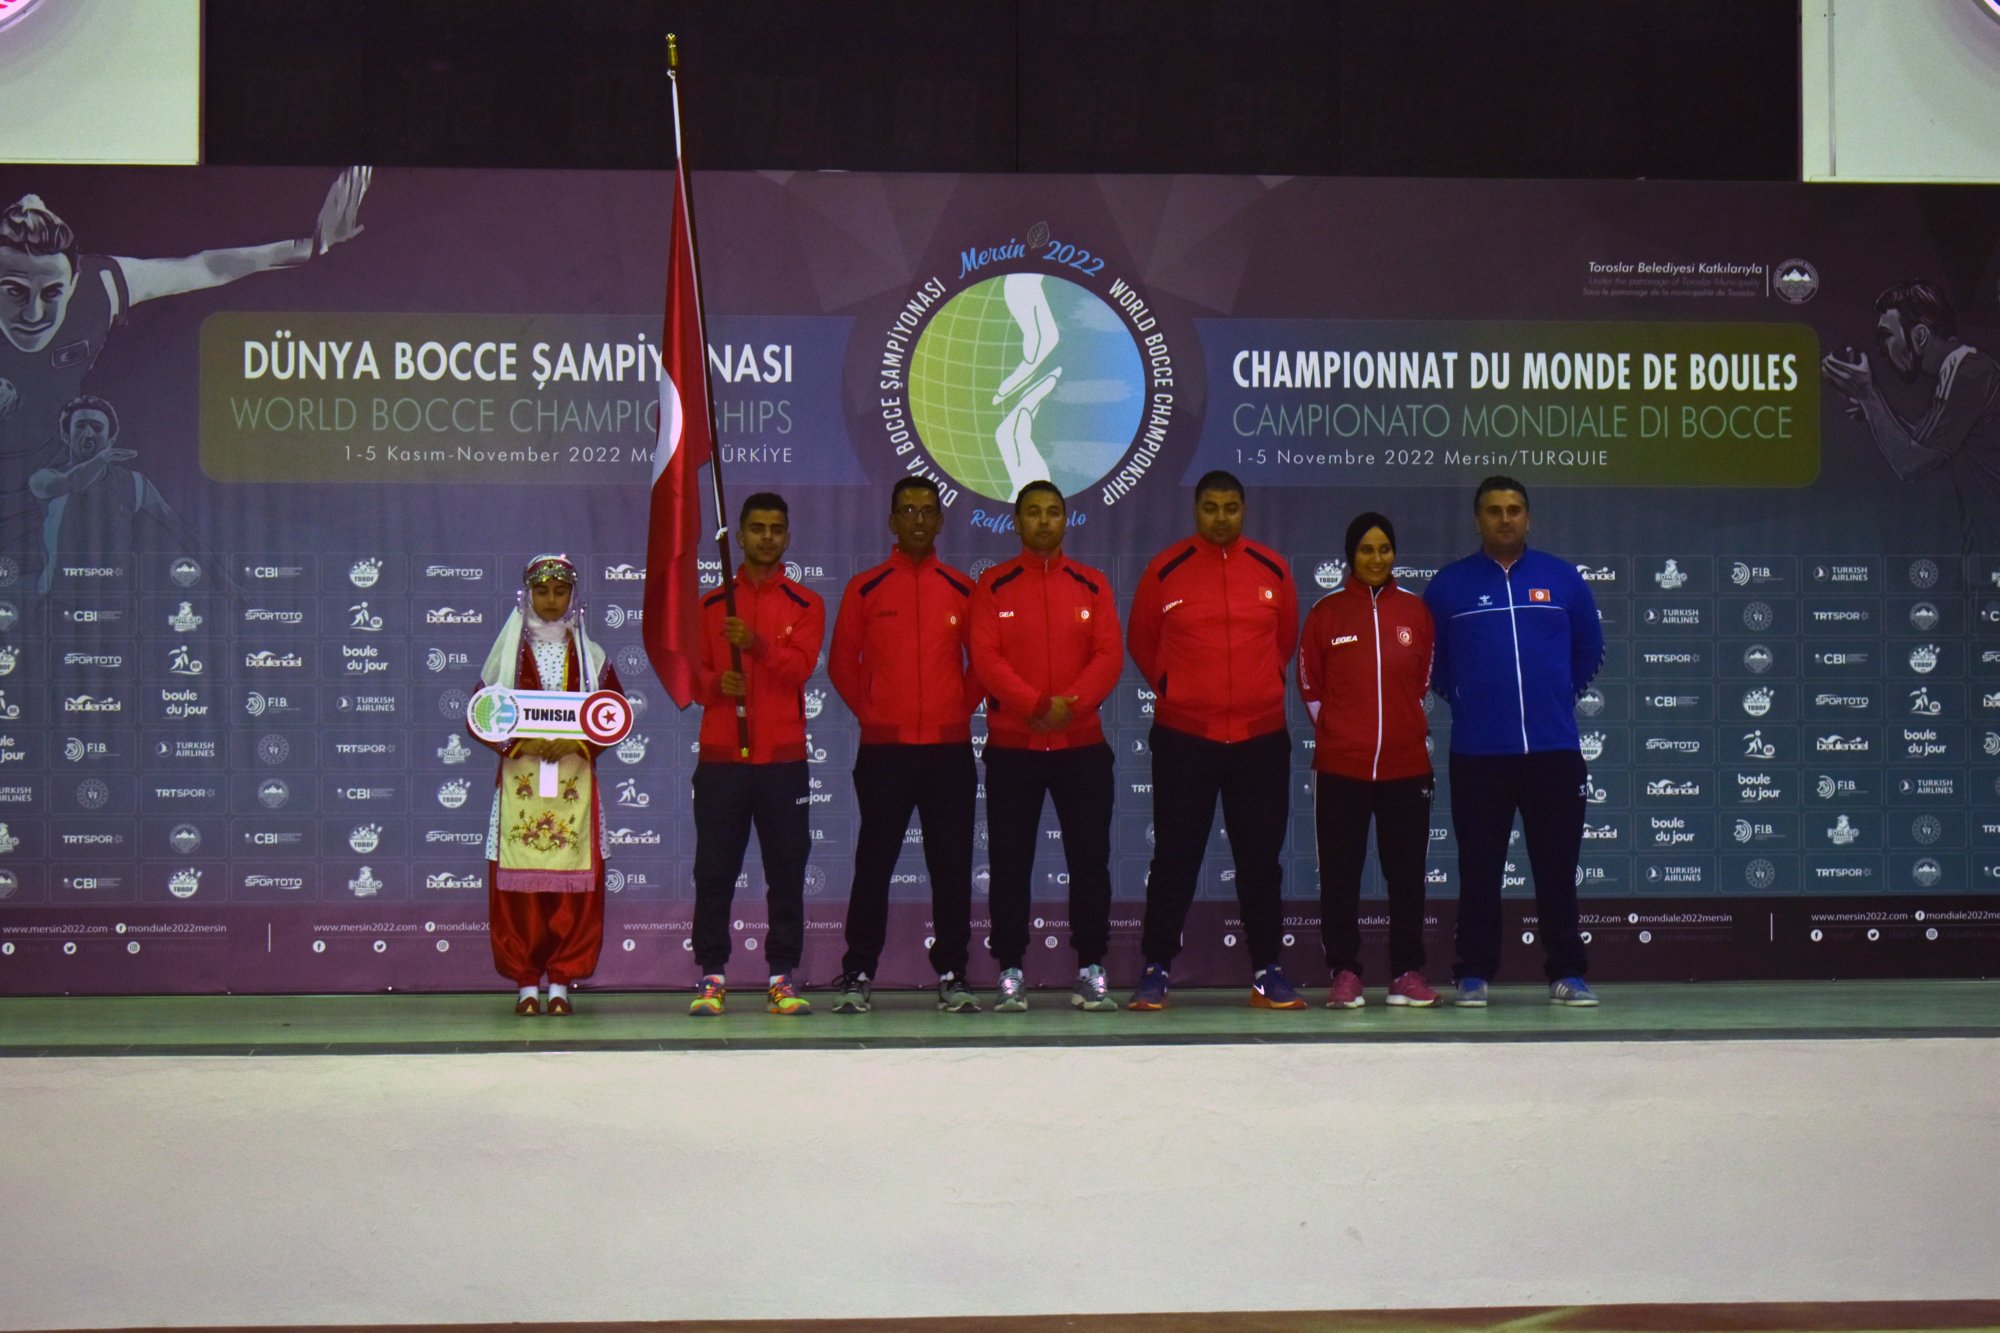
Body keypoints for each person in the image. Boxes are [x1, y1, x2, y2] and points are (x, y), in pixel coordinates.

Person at [0, 171, 370, 560]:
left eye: (52, 293)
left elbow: (206, 267)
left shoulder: (104, 283)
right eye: (14, 292)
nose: (34, 313)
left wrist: (311, 246)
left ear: (74, 281)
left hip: (49, 478)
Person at [1423, 477, 1603, 1007]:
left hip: (1554, 752)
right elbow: (1433, 661)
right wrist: (1466, 699)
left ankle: (1567, 972)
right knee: (1479, 868)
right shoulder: (1449, 587)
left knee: (1557, 868)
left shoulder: (1563, 578)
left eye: (1514, 509)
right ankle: (1473, 974)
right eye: (1494, 510)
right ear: (1477, 519)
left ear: (1529, 517)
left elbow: (1590, 648)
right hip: (1479, 755)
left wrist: (1556, 696)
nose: (1505, 518)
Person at [1126, 470, 1302, 1010]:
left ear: (1243, 510)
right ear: (1196, 510)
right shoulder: (1165, 569)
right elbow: (1142, 641)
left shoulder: (1273, 568)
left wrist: (1259, 688)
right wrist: (1175, 689)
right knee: (1175, 857)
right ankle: (1155, 968)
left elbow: (1284, 642)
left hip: (1259, 739)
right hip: (1186, 738)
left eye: (1230, 507)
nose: (1221, 517)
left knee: (1260, 861)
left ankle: (1267, 971)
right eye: (1210, 507)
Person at [827, 477, 984, 1013]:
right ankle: (857, 972)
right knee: (873, 863)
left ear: (939, 520)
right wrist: (875, 715)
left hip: (948, 752)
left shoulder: (962, 589)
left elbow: (981, 663)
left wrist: (955, 710)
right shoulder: (865, 588)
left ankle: (954, 973)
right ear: (892, 521)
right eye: (908, 510)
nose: (918, 519)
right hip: (885, 753)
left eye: (927, 510)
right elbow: (842, 664)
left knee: (952, 866)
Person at [968, 481, 1122, 1011]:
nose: (1043, 521)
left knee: (1090, 861)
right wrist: (1036, 704)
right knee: (1010, 863)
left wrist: (1069, 707)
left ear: (1065, 520)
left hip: (1082, 747)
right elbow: (986, 658)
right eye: (1032, 512)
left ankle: (1091, 967)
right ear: (1017, 522)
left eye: (1052, 512)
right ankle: (1010, 969)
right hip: (1015, 749)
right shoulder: (993, 585)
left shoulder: (1092, 584)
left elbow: (1108, 656)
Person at [687, 493, 825, 1018]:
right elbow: (691, 675)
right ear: (739, 536)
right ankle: (712, 975)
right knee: (714, 870)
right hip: (723, 759)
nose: (767, 537)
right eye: (758, 528)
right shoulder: (711, 605)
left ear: (787, 536)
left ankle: (781, 976)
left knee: (786, 872)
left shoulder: (806, 603)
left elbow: (800, 668)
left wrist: (757, 644)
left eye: (776, 528)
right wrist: (714, 685)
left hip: (782, 762)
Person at [1297, 512, 1438, 1009]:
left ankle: (1406, 972)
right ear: (1350, 556)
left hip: (1406, 767)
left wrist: (1397, 728)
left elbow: (1421, 682)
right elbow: (1311, 687)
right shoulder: (1326, 613)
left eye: (1384, 549)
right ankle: (1344, 972)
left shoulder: (1416, 612)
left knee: (1407, 876)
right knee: (1340, 875)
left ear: (1394, 554)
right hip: (1342, 767)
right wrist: (1341, 733)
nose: (1376, 558)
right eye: (1365, 549)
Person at [473, 554, 622, 1016]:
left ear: (573, 596)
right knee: (519, 892)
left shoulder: (592, 657)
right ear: (528, 596)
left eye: (560, 592)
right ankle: (525, 982)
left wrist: (579, 743)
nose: (552, 600)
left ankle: (560, 981)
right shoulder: (507, 656)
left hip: (574, 785)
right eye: (543, 592)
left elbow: (613, 716)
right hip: (522, 783)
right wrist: (522, 743)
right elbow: (481, 714)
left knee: (572, 890)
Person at [1821, 281, 2000, 557]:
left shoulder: (1968, 371)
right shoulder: (1962, 369)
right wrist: (1873, 410)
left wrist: (1869, 396)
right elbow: (1923, 442)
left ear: (1921, 336)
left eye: (1886, 336)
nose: (1881, 348)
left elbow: (1912, 462)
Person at [31, 395, 208, 593]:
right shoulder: (44, 478)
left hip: (115, 597)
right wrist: (102, 458)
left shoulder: (134, 482)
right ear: (65, 435)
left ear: (111, 440)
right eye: (80, 426)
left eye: (97, 428)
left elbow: (180, 530)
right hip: (57, 595)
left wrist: (224, 578)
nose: (88, 433)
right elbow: (71, 483)